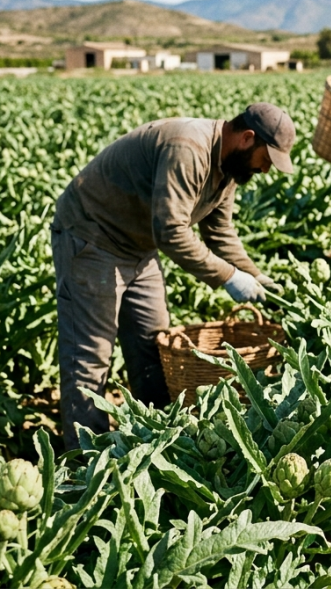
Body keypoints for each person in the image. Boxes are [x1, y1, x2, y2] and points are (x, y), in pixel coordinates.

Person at [51, 103, 296, 450]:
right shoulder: (188, 148)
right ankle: (84, 465)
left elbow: (220, 232)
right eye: (267, 158)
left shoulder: (228, 167)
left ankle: (155, 447)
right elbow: (170, 231)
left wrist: (256, 276)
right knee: (89, 357)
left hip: (138, 246)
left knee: (153, 344)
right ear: (247, 138)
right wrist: (229, 277)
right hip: (93, 238)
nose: (266, 169)